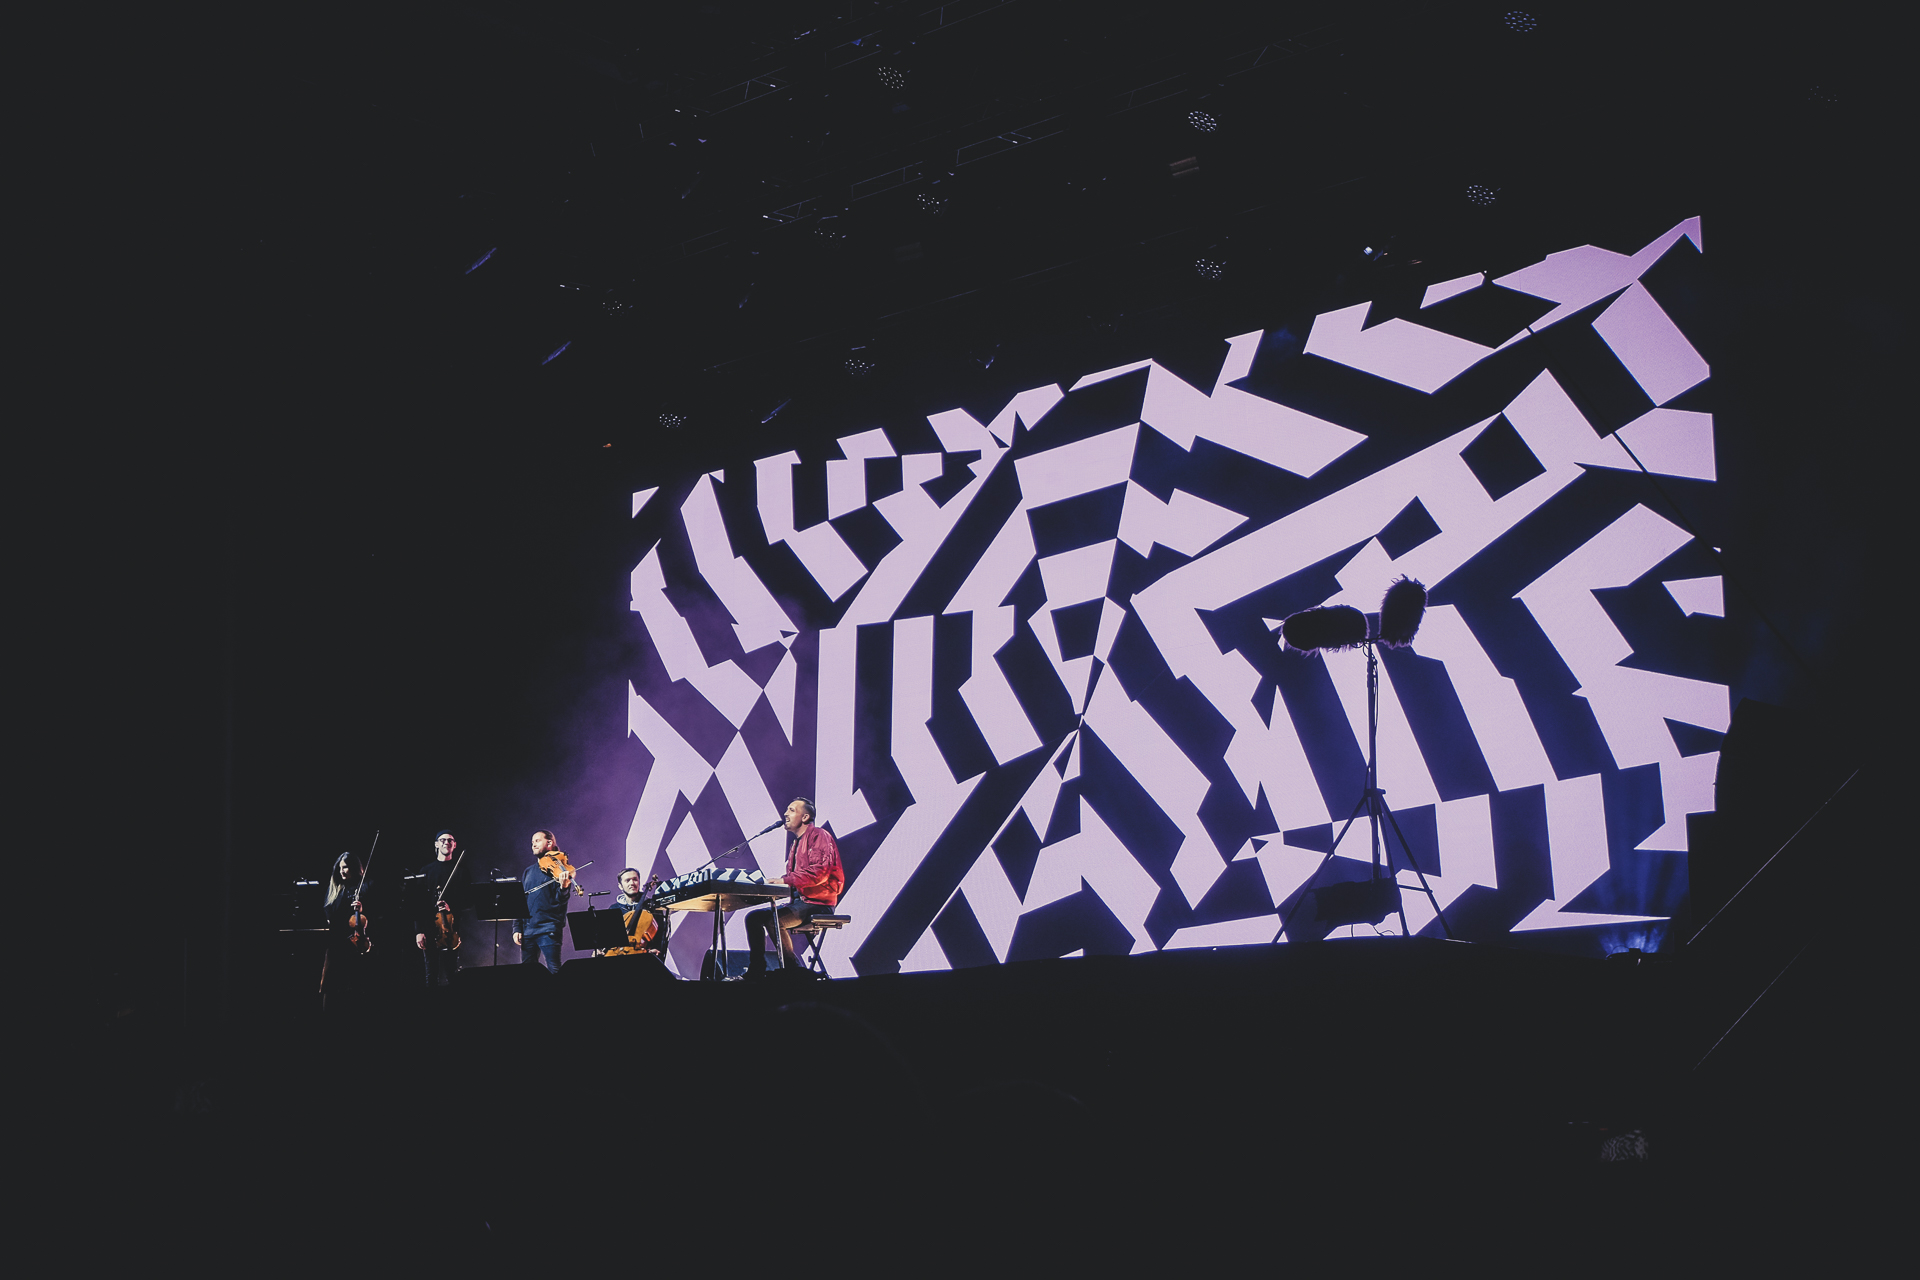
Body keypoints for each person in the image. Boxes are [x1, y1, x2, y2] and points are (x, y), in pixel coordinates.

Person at [744, 798, 844, 976]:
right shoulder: (796, 843)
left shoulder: (819, 835)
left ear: (805, 817)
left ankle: (793, 969)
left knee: (774, 920)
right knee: (753, 918)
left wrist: (784, 880)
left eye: (791, 810)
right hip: (801, 902)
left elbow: (820, 872)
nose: (785, 814)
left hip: (818, 903)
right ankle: (756, 970)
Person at [412, 830, 472, 987]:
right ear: (436, 844)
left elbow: (469, 901)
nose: (447, 842)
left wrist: (451, 906)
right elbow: (418, 904)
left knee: (452, 974)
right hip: (429, 927)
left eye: (450, 840)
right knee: (431, 974)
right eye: (443, 840)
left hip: (451, 929)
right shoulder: (426, 871)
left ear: (455, 845)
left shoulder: (461, 871)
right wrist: (419, 931)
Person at [320, 850, 374, 1011]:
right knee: (330, 985)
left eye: (345, 867)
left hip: (358, 942)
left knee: (357, 984)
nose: (342, 871)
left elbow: (377, 913)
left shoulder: (366, 886)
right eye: (340, 868)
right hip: (337, 942)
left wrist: (363, 908)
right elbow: (330, 914)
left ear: (354, 867)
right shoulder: (335, 889)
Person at [514, 830, 575, 973]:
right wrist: (517, 928)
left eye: (537, 841)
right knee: (528, 972)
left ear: (549, 843)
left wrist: (564, 887)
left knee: (554, 969)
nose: (533, 845)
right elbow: (520, 901)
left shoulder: (559, 868)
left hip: (549, 929)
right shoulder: (528, 871)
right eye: (532, 842)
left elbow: (561, 901)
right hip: (528, 930)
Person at [602, 868, 667, 958]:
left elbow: (661, 935)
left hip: (643, 956)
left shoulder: (652, 907)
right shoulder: (614, 909)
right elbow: (608, 937)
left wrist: (655, 949)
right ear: (620, 886)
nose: (632, 883)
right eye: (627, 880)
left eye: (635, 879)